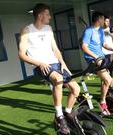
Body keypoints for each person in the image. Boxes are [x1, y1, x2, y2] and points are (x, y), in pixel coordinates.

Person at [18, 3, 80, 134]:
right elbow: (21, 54)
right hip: (42, 66)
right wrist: (39, 63)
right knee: (58, 79)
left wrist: (63, 63)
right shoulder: (26, 30)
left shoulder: (49, 28)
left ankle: (67, 113)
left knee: (76, 89)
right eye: (47, 14)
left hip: (56, 63)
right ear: (40, 15)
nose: (50, 17)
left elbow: (55, 49)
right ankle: (59, 116)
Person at [81, 12, 113, 115]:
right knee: (108, 80)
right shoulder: (88, 31)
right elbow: (84, 46)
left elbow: (104, 44)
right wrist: (95, 57)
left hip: (101, 57)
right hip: (92, 59)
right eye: (103, 19)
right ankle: (102, 101)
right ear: (99, 19)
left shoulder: (100, 31)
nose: (104, 21)